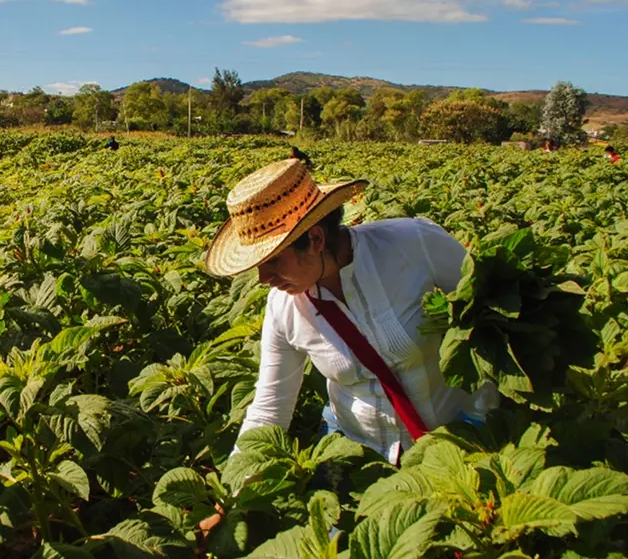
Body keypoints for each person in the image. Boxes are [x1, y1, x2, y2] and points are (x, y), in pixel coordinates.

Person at [205, 156, 481, 460]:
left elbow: (490, 319)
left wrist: (481, 418)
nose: (262, 278)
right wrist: (234, 492)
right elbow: (270, 405)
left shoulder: (414, 244)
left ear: (315, 239)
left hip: (450, 440)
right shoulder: (284, 307)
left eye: (272, 261)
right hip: (353, 449)